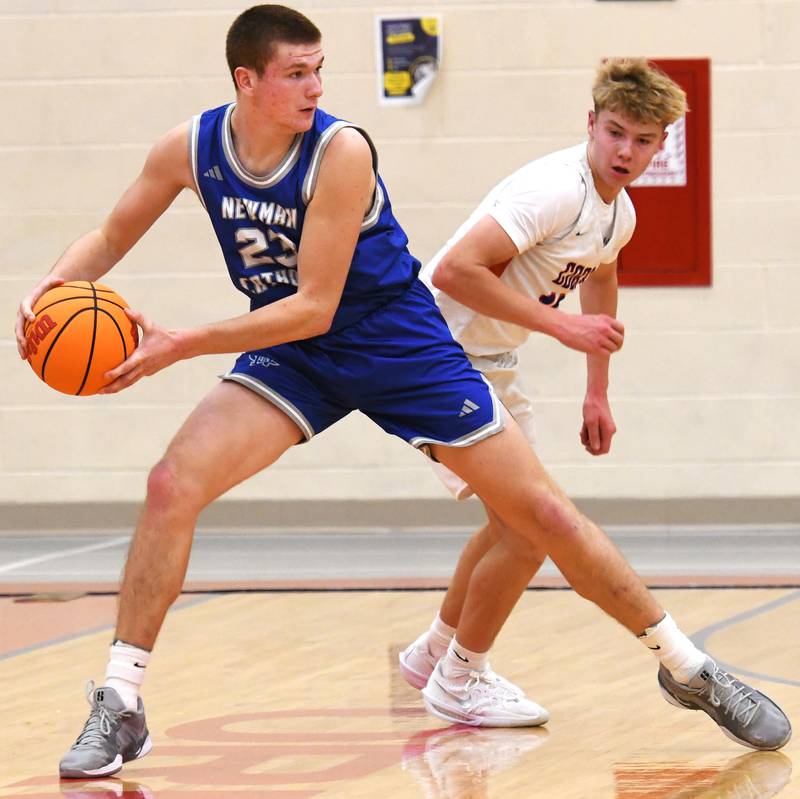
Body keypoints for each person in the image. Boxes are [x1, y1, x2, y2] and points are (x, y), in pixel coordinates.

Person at [15, 11, 787, 777]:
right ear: (246, 81)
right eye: (296, 73)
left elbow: (316, 302)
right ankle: (121, 701)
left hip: (396, 341)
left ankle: (687, 667)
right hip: (296, 351)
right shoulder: (189, 148)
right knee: (169, 483)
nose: (317, 86)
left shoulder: (341, 150)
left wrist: (181, 343)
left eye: (320, 68)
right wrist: (52, 289)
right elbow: (111, 238)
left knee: (541, 515)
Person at [398, 59, 792, 750]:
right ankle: (461, 674)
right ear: (591, 124)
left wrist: (597, 388)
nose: (625, 152)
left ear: (660, 144)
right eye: (615, 132)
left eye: (643, 141)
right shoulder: (554, 188)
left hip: (487, 360)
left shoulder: (619, 213)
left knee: (507, 523)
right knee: (529, 527)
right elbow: (455, 269)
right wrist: (560, 326)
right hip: (433, 355)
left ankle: (434, 651)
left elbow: (601, 280)